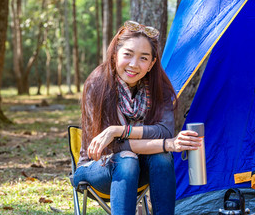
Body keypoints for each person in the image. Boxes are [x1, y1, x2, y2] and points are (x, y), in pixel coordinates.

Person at [73, 21, 202, 215]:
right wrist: (168, 144)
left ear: (151, 64)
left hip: (138, 167)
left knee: (162, 159)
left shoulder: (160, 89)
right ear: (115, 54)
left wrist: (118, 130)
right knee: (127, 159)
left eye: (143, 58)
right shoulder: (97, 84)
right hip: (97, 167)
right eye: (128, 54)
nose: (134, 64)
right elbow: (111, 148)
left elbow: (164, 131)